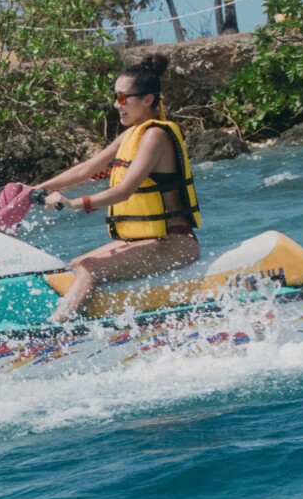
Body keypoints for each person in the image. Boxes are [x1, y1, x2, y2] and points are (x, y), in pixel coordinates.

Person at [31, 52, 201, 321]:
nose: (117, 104)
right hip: (148, 240)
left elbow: (125, 190)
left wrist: (73, 203)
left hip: (174, 243)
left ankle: (57, 332)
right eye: (116, 97)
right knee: (75, 264)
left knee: (88, 268)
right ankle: (91, 321)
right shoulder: (130, 134)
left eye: (123, 98)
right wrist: (32, 187)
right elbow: (87, 169)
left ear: (148, 99)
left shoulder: (155, 136)